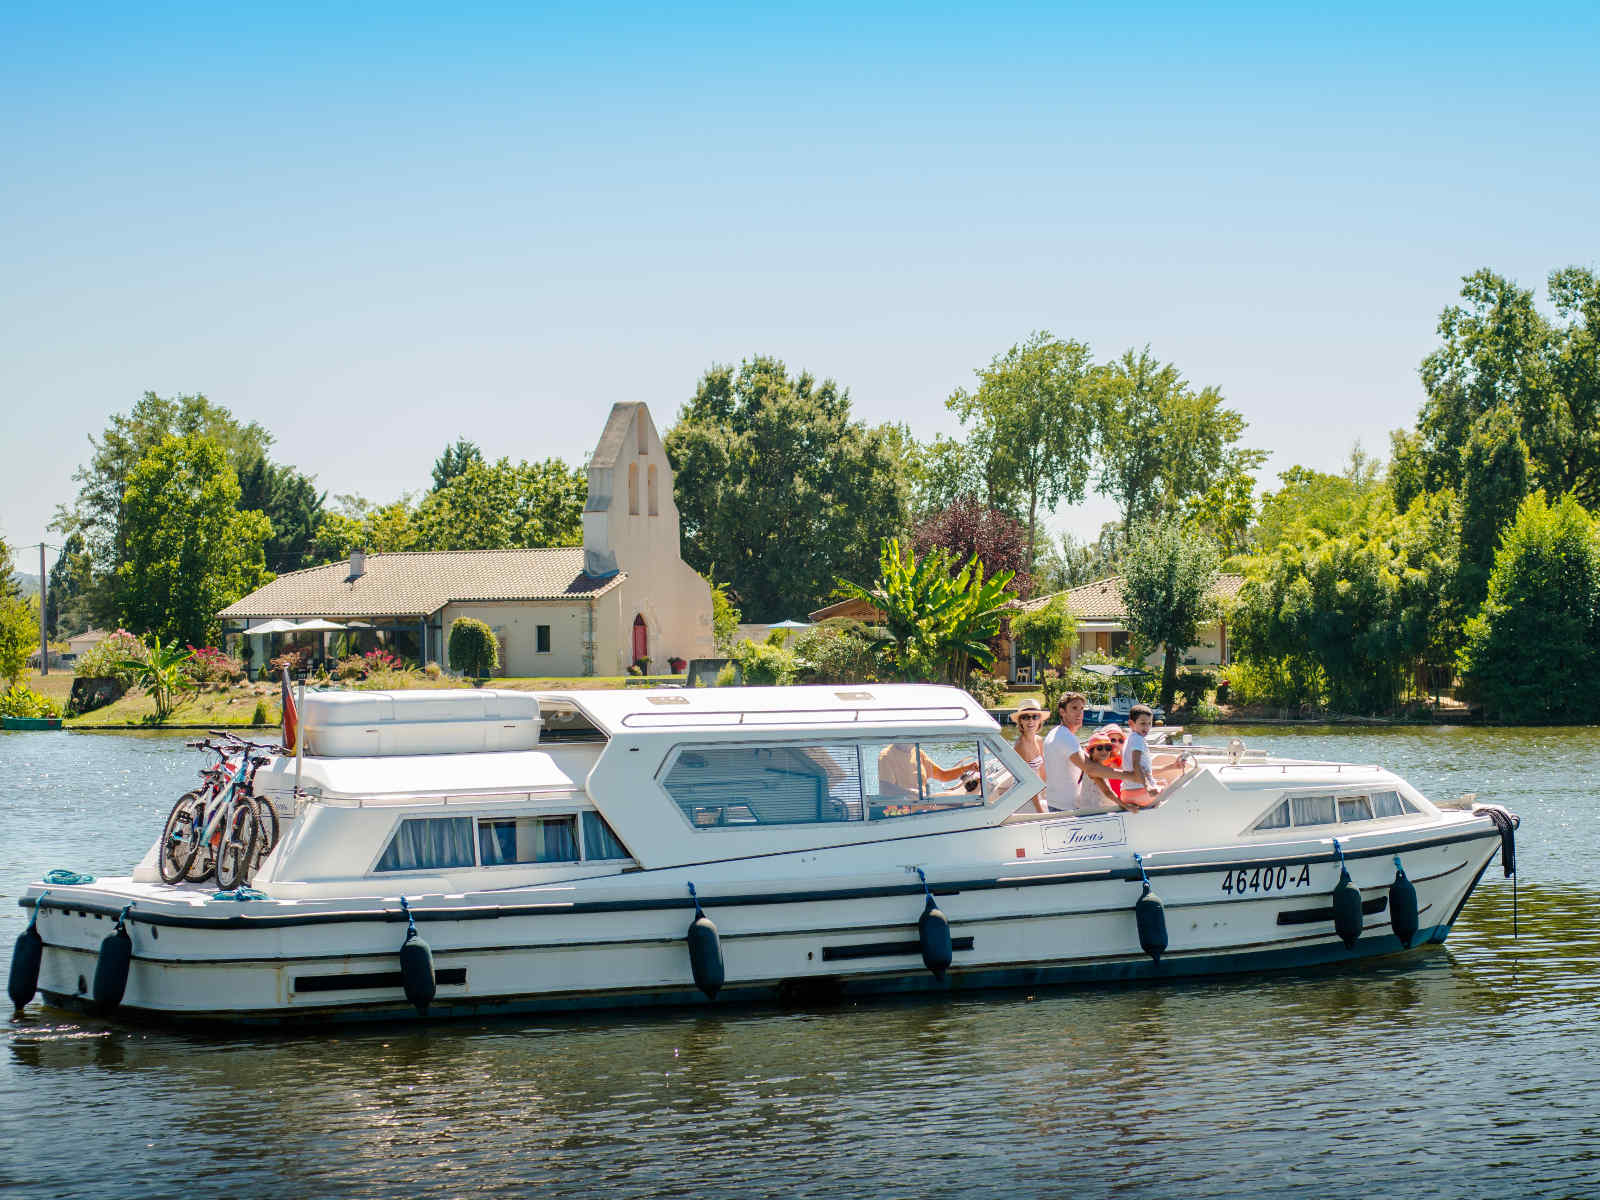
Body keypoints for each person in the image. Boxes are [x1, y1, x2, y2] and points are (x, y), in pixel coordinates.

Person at [1042, 693, 1140, 813]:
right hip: (1066, 809)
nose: (1079, 713)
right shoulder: (1065, 737)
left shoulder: (1056, 733)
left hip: (1057, 804)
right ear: (1062, 712)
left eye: (1082, 708)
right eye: (1074, 708)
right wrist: (1131, 776)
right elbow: (1091, 769)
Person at [1010, 698, 1048, 811]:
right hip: (1023, 797)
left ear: (1039, 720)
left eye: (1035, 717)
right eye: (1026, 717)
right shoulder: (1021, 746)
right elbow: (1029, 782)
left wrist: (1045, 792)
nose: (1031, 721)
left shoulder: (1039, 740)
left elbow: (1042, 769)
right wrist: (1039, 810)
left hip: (1035, 793)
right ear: (1020, 721)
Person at [1076, 733, 1123, 812]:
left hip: (1093, 811)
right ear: (1091, 751)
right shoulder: (1095, 769)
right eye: (1100, 748)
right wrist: (1125, 805)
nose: (1104, 751)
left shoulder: (1093, 766)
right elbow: (1107, 792)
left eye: (1108, 748)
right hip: (1095, 813)